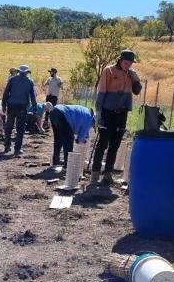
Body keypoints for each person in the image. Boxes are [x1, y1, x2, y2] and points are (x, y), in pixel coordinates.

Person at [92, 49, 142, 185]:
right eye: (126, 63)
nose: (128, 65)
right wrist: (98, 112)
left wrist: (137, 79)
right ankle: (95, 174)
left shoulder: (131, 75)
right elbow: (101, 92)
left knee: (115, 145)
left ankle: (108, 174)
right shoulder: (109, 71)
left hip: (122, 114)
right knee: (102, 144)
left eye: (130, 63)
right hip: (108, 112)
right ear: (120, 60)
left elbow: (137, 91)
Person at [2, 64, 37, 156]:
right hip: (22, 107)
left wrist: (3, 105)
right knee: (20, 128)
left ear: (19, 71)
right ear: (26, 72)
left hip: (11, 106)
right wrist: (35, 109)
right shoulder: (30, 82)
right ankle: (17, 149)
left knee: (9, 126)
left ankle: (7, 146)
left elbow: (5, 93)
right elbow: (32, 97)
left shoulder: (12, 80)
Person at [46, 102, 94, 167]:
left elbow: (81, 127)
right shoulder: (89, 119)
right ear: (94, 121)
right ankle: (67, 165)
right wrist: (81, 140)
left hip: (54, 111)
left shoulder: (86, 112)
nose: (91, 127)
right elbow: (80, 139)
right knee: (69, 140)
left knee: (58, 139)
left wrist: (83, 136)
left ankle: (56, 161)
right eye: (93, 126)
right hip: (62, 115)